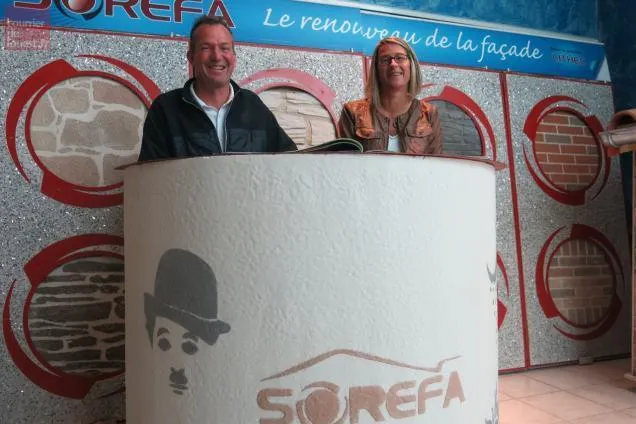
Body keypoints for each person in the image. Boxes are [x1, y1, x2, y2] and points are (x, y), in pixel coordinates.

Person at [138, 15, 297, 161]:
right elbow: (151, 175)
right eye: (206, 48)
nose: (216, 56)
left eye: (224, 48)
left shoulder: (253, 105)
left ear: (233, 57)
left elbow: (289, 161)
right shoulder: (165, 109)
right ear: (191, 57)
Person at [338, 37, 443, 154]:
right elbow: (344, 162)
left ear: (411, 65)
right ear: (376, 69)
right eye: (385, 59)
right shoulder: (352, 112)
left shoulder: (429, 113)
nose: (393, 64)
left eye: (400, 58)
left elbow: (436, 162)